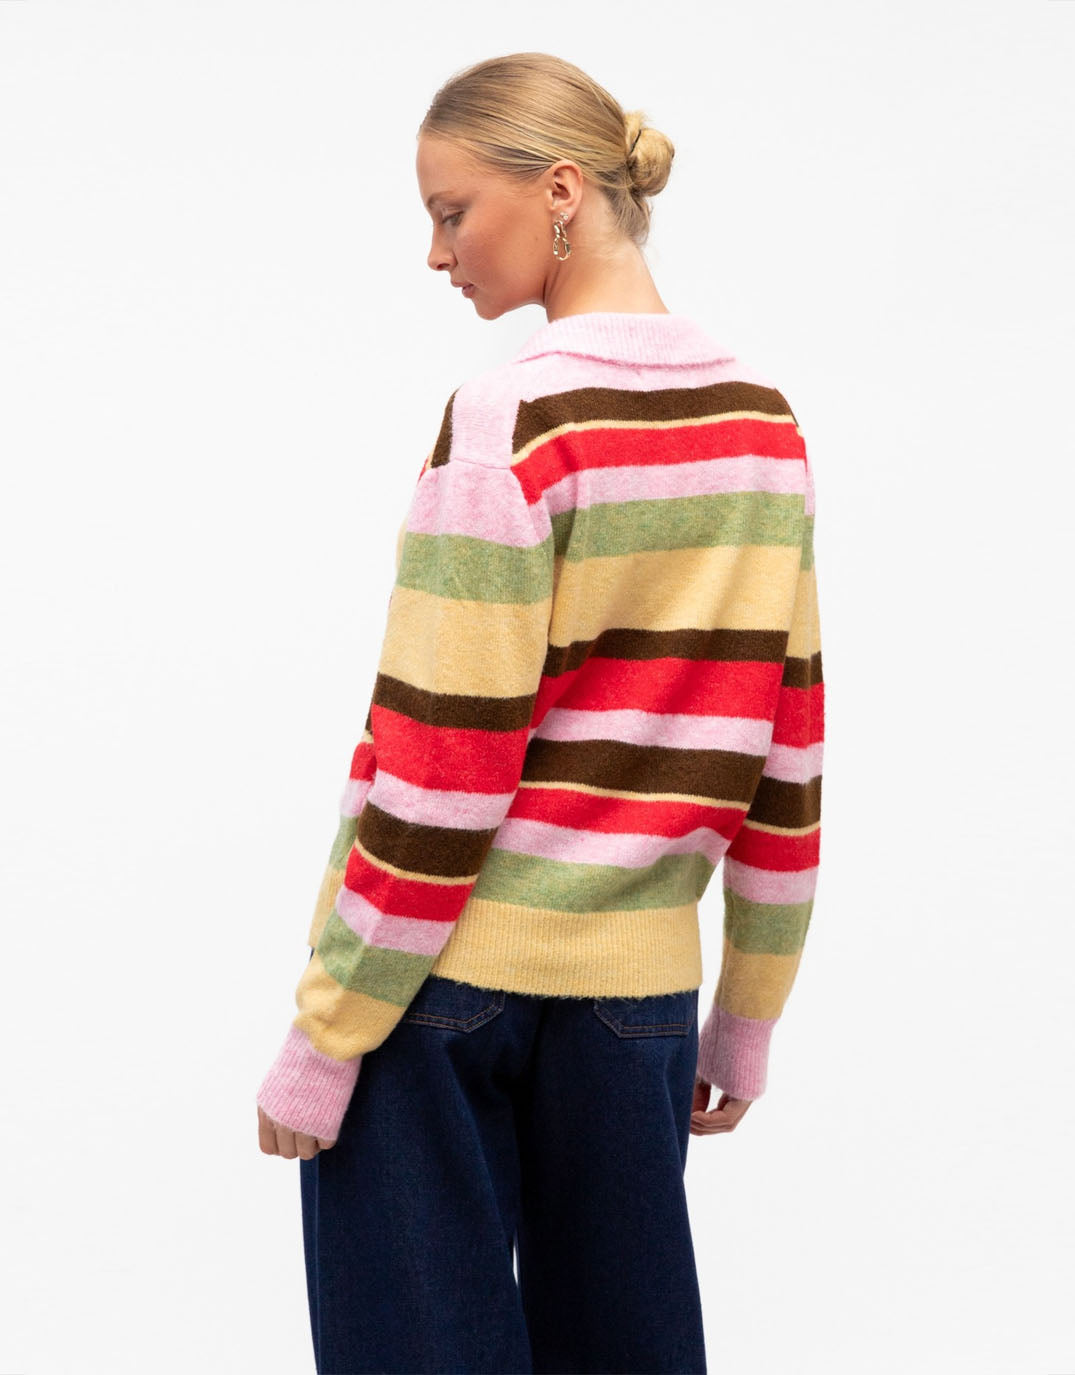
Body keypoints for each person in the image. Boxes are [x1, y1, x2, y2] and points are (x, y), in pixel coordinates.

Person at [255, 50, 824, 1375]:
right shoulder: (763, 423)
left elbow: (439, 770)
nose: (436, 253)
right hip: (640, 1005)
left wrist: (328, 1031)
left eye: (453, 211)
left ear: (560, 191)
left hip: (439, 994)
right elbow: (788, 748)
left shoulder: (510, 417)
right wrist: (746, 1016)